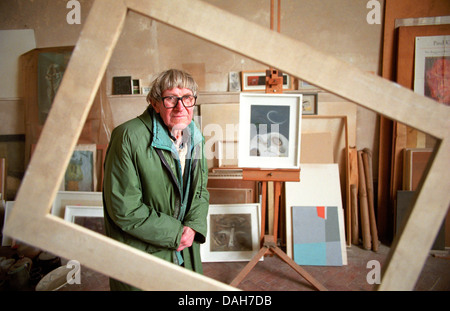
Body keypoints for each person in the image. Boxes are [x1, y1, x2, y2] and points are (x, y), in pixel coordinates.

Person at [102, 69, 210, 291]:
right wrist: (175, 233)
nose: (181, 107)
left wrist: (193, 226)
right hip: (143, 252)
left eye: (187, 98)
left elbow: (200, 190)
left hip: (184, 251)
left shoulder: (195, 136)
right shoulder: (127, 137)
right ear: (155, 103)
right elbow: (124, 209)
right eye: (171, 98)